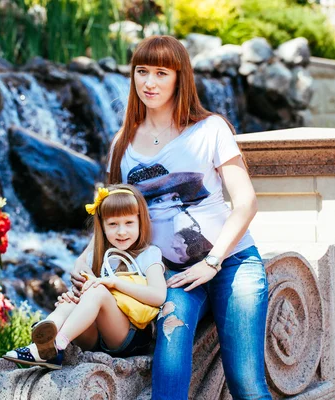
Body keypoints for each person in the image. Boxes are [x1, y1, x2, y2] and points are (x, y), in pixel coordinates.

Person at [69, 35, 271, 399]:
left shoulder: (210, 129)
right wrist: (84, 261)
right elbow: (113, 216)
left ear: (180, 78)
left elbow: (246, 202)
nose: (149, 82)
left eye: (161, 73)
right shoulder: (124, 144)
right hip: (172, 277)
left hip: (232, 262)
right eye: (141, 71)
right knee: (169, 372)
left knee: (246, 382)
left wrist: (212, 261)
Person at [3, 184, 166, 370]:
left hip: (129, 335)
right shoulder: (95, 256)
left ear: (141, 223)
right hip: (94, 336)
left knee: (98, 291)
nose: (121, 231)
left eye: (129, 223)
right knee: (72, 300)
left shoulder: (148, 254)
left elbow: (158, 295)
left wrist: (114, 283)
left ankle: (56, 346)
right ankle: (43, 344)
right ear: (102, 227)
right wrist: (75, 297)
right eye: (113, 224)